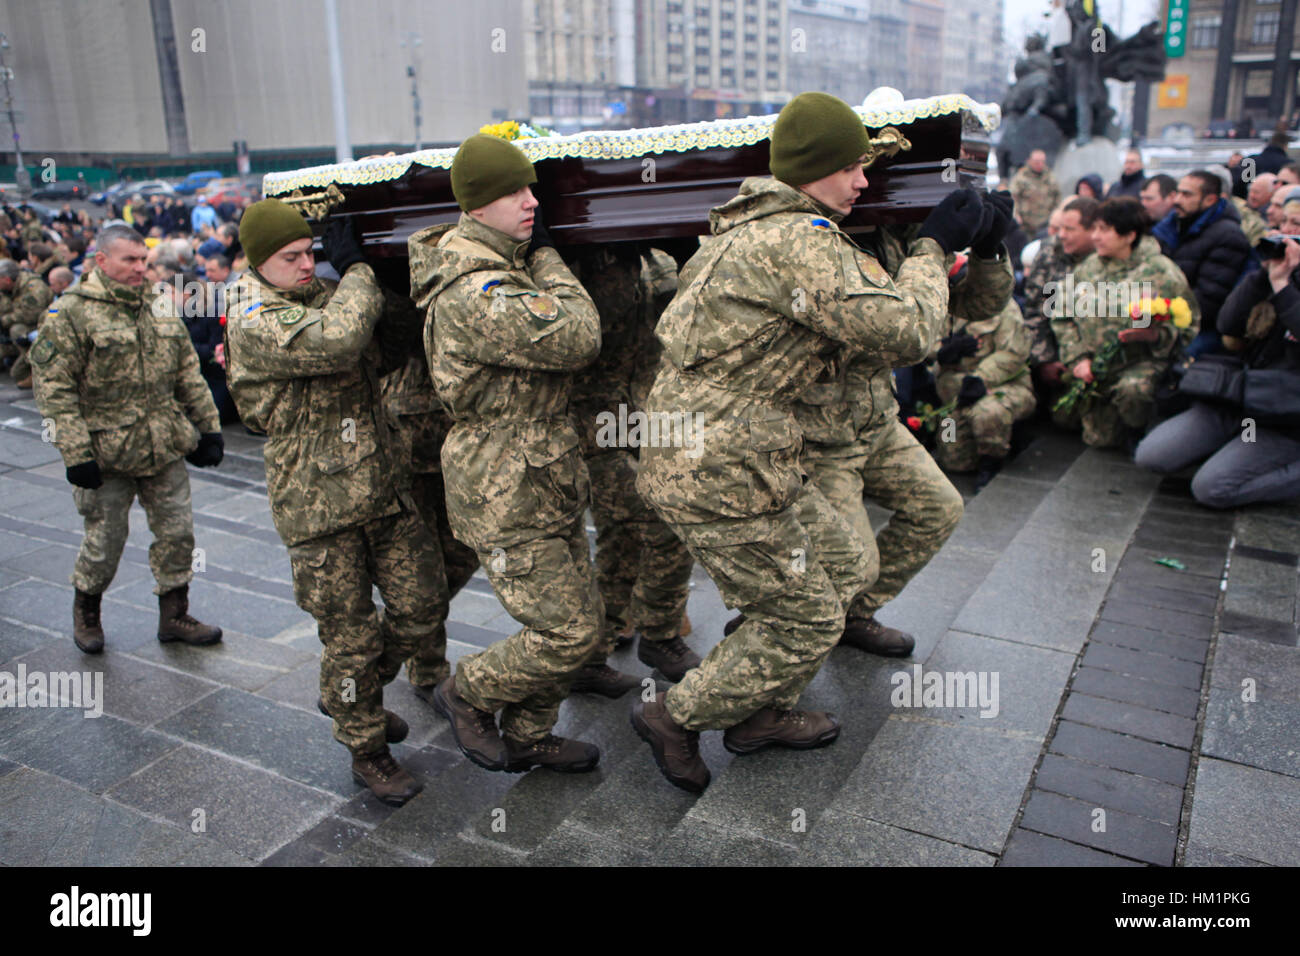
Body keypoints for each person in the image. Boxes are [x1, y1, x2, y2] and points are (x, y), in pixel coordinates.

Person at [629, 92, 985, 792]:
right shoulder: (798, 240)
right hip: (720, 464)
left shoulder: (749, 227)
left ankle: (756, 704)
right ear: (816, 167)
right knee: (807, 615)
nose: (864, 182)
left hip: (738, 449)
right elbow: (908, 332)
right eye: (853, 167)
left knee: (848, 563)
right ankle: (678, 714)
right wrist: (932, 247)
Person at [224, 199, 450, 806]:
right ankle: (367, 749)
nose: (306, 264)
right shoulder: (252, 313)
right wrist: (358, 273)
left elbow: (395, 342)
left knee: (423, 602)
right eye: (290, 257)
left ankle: (352, 690)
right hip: (317, 504)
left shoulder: (324, 292)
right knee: (349, 635)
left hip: (380, 484)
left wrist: (392, 274)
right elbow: (341, 342)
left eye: (310, 252)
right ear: (257, 263)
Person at [409, 133, 605, 776]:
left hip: (541, 470)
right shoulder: (476, 287)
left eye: (533, 188)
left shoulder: (502, 261)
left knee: (583, 617)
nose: (531, 202)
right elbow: (579, 335)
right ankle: (466, 691)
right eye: (514, 193)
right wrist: (548, 253)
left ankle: (529, 733)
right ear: (476, 204)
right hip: (504, 483)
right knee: (566, 630)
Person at [29, 224, 224, 655]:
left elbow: (187, 373)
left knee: (178, 535)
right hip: (105, 454)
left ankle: (174, 615)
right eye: (130, 261)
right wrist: (76, 454)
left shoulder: (159, 304)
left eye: (144, 260)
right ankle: (87, 612)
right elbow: (54, 391)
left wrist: (208, 427)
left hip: (163, 444)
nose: (141, 269)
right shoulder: (71, 314)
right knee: (105, 542)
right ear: (101, 261)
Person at [566, 244, 698, 697]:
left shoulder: (656, 256)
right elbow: (587, 330)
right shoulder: (567, 262)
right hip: (591, 422)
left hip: (644, 412)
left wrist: (684, 251)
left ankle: (592, 655)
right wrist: (620, 261)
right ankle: (659, 634)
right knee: (665, 515)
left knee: (621, 542)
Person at [1136, 236, 1300, 507]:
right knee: (1152, 456)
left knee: (1211, 489)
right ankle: (1232, 452)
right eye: (1287, 226)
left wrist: (1283, 287)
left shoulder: (1285, 285)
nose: (1289, 238)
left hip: (1286, 416)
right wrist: (1264, 276)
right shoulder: (1282, 275)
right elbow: (1228, 324)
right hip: (1241, 397)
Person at [1052, 198, 1198, 448]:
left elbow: (1189, 327)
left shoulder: (1161, 272)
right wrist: (1078, 359)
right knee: (1095, 438)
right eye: (1095, 228)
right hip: (1095, 366)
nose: (1096, 237)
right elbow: (1061, 314)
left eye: (1105, 230)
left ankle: (1139, 431)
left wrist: (1155, 336)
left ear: (1130, 235)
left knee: (1134, 392)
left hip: (1139, 364)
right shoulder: (1089, 267)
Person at [930, 280, 1033, 490]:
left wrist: (980, 377)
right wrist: (944, 350)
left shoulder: (1004, 306)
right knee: (953, 458)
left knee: (988, 412)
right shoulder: (942, 303)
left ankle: (992, 460)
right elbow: (923, 342)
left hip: (1001, 385)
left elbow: (1013, 354)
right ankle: (975, 440)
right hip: (955, 392)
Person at [1152, 170, 1255, 357]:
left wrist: (1161, 316)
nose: (1177, 200)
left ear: (1210, 200)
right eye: (1178, 192)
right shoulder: (1171, 228)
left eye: (1187, 194)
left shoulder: (1228, 237)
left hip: (1202, 327)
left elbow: (1208, 302)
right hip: (1167, 314)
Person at [1023, 195, 1098, 397]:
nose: (1061, 235)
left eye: (1070, 230)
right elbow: (1034, 310)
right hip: (1051, 352)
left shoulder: (1107, 258)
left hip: (1093, 357)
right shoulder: (1049, 253)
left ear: (1092, 230)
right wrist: (1044, 359)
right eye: (1060, 228)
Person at [0, 257, 54, 387]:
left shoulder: (33, 287)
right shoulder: (7, 289)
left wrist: (3, 321)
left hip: (43, 326)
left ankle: (35, 367)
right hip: (18, 329)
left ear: (7, 279)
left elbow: (30, 315)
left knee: (17, 330)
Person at [1010, 149, 1061, 237]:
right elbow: (1013, 198)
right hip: (1026, 224)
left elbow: (1057, 197)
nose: (1040, 165)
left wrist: (1056, 215)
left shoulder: (1050, 177)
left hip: (1046, 223)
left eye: (1042, 162)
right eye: (1037, 162)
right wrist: (1016, 215)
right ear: (1029, 161)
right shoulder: (1021, 178)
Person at [1233, 172, 1276, 248]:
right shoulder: (1241, 208)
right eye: (1251, 191)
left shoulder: (1270, 215)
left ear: (1270, 194)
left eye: (1256, 192)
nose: (1252, 195)